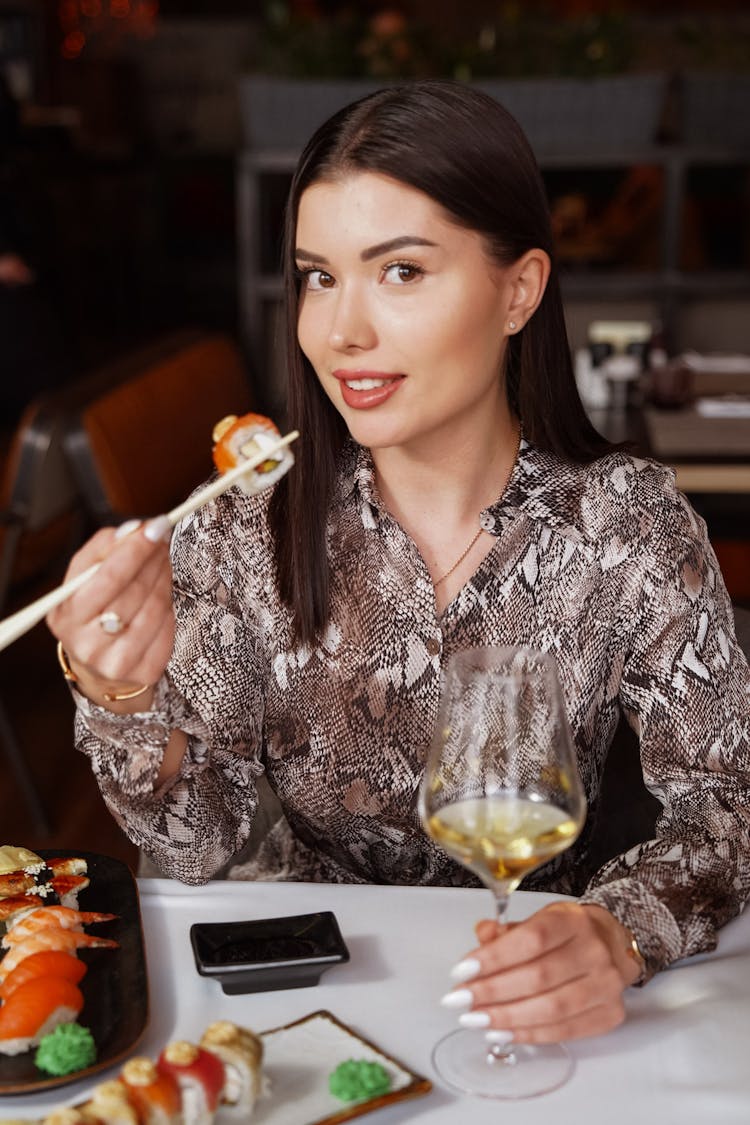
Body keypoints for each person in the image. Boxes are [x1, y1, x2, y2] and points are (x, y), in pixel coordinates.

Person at [48, 81, 750, 1047]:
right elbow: (199, 846)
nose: (342, 333)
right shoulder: (239, 533)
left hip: (545, 1013)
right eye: (319, 276)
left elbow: (731, 798)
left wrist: (617, 929)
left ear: (519, 289)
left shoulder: (626, 524)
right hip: (306, 1015)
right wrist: (121, 695)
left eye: (402, 271)